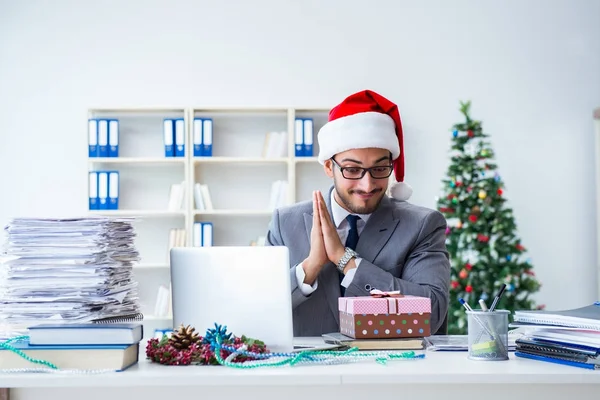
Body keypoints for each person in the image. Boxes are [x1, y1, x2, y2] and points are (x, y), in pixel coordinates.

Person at [266, 89, 450, 337]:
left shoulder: (423, 225)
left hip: (390, 370)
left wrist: (346, 260)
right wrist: (309, 268)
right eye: (352, 170)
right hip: (308, 371)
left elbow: (432, 312)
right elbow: (261, 307)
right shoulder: (285, 223)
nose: (367, 185)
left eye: (380, 168)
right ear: (329, 167)